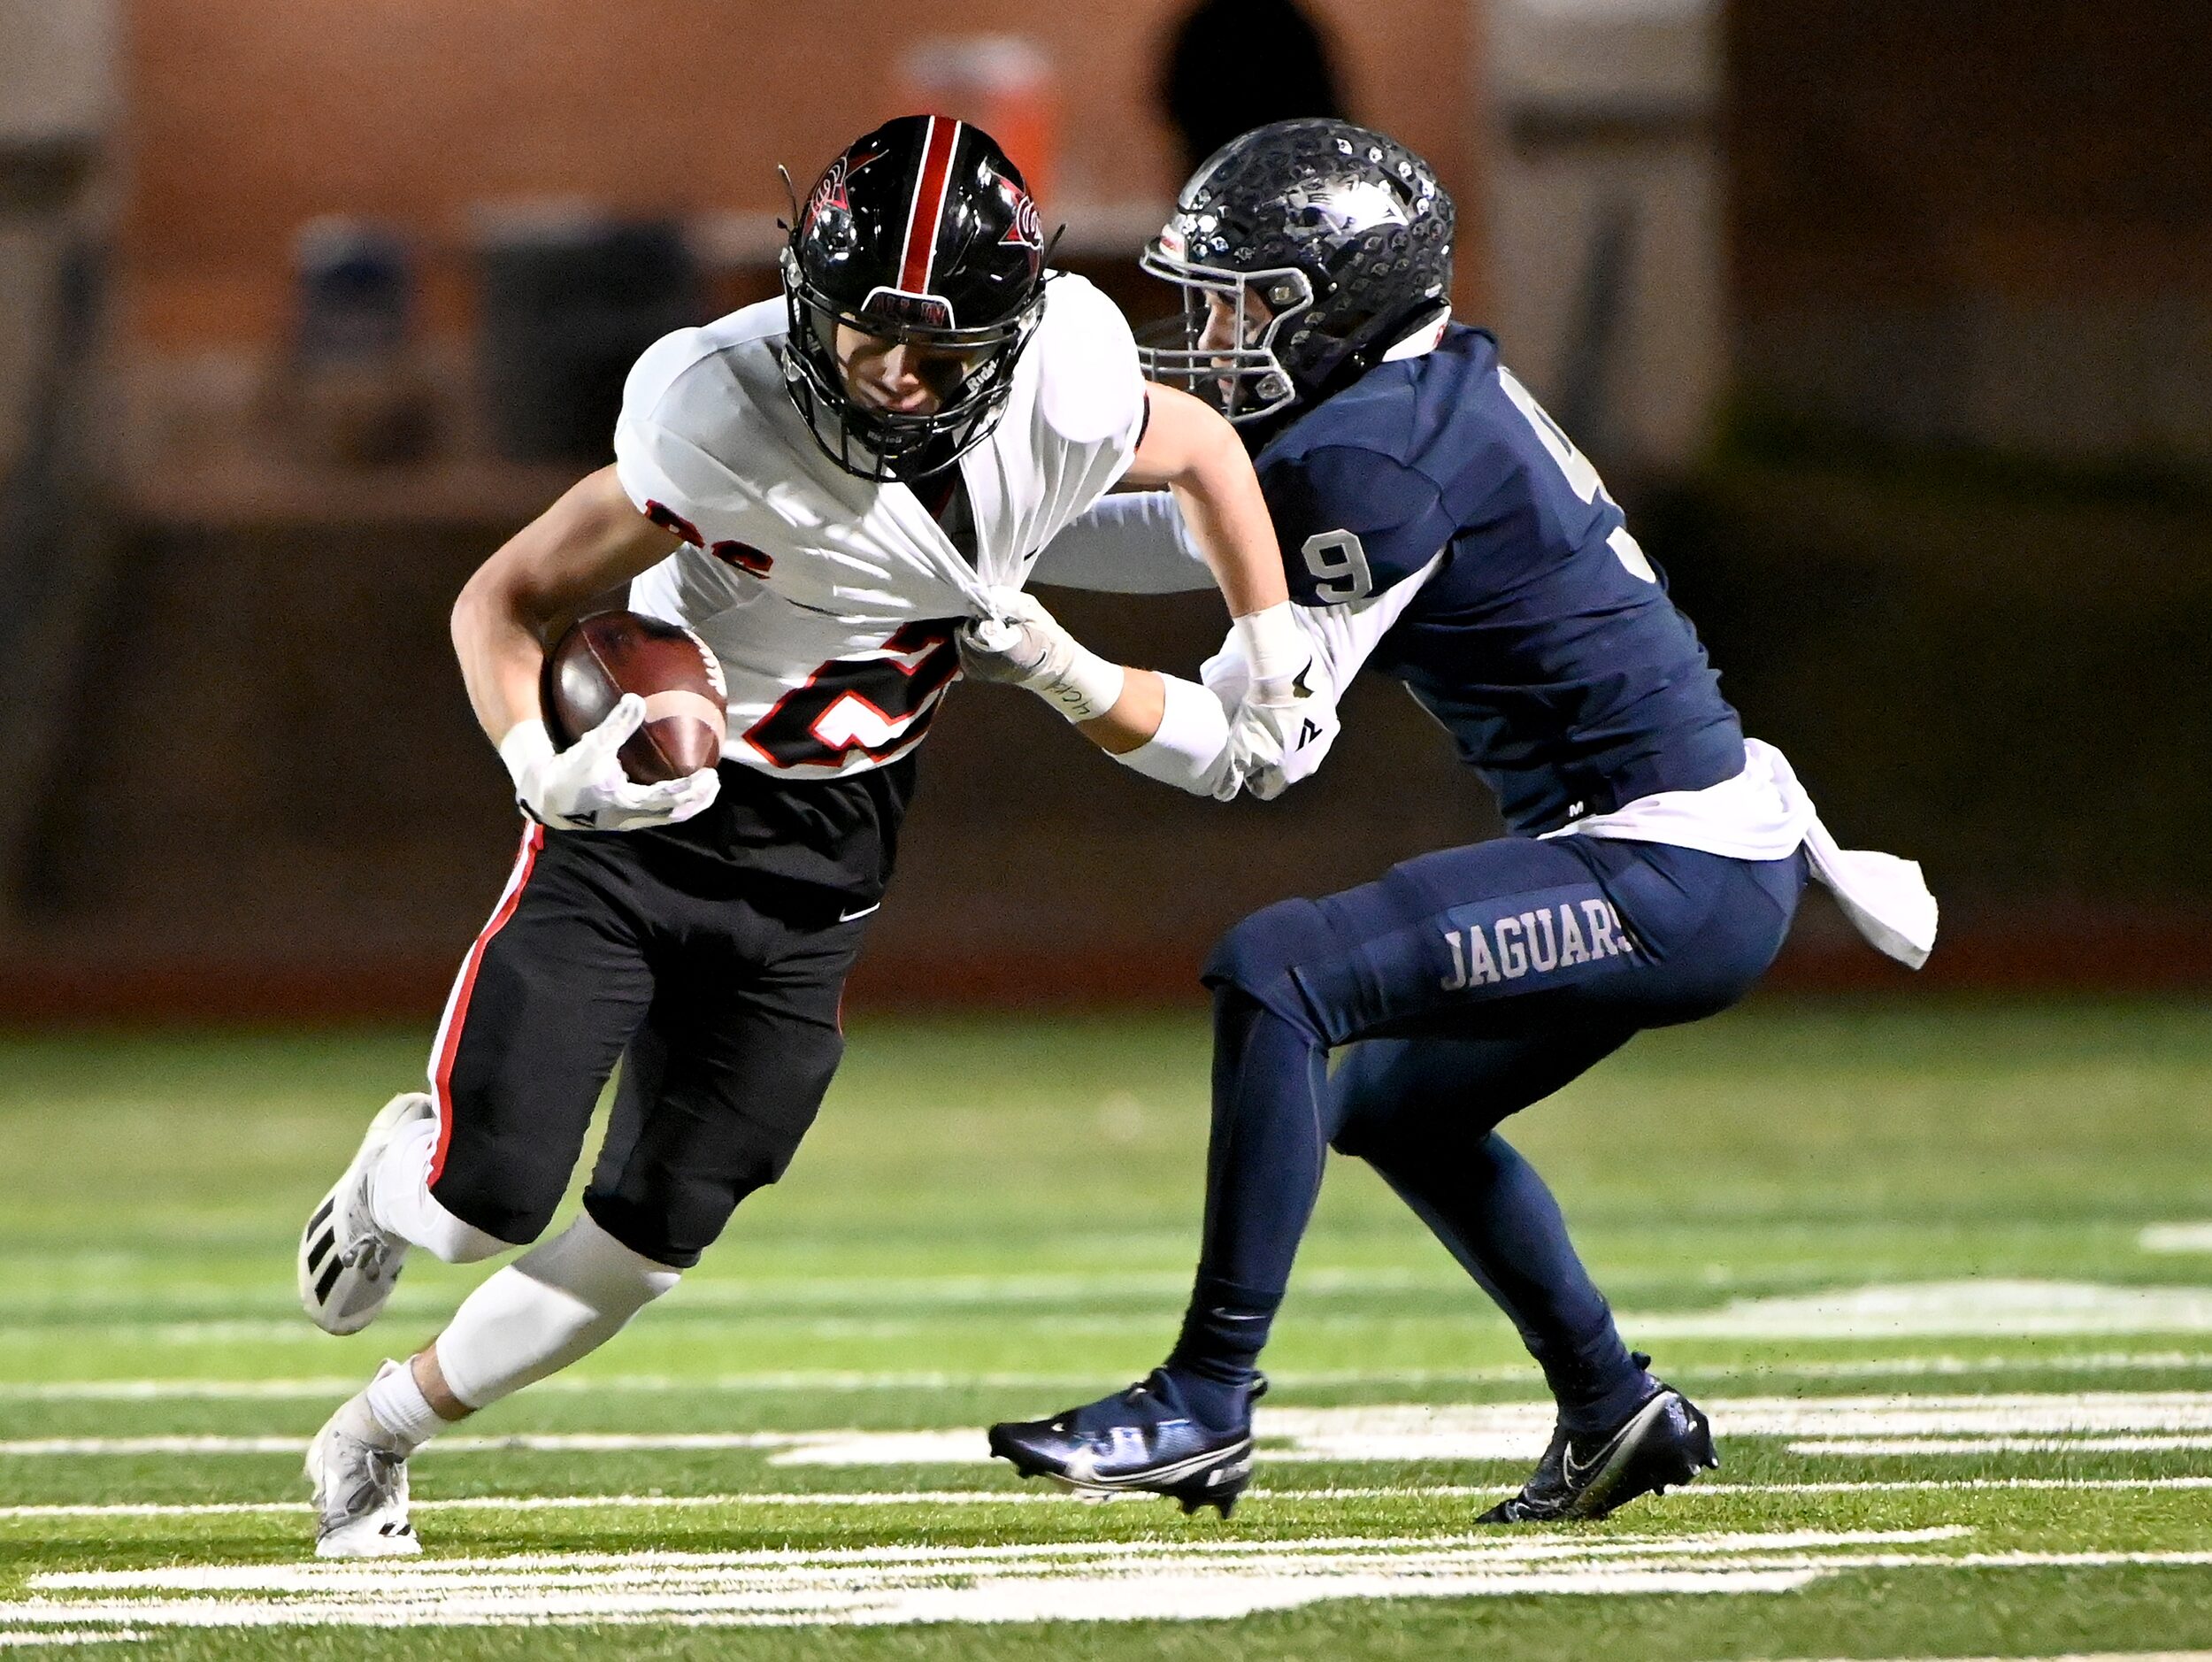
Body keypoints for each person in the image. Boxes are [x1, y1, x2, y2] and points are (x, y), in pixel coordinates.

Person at [290, 113, 1300, 1558]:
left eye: (940, 348)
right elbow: (498, 597)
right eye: (864, 331)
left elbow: (1201, 446)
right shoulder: (712, 413)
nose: (893, 374)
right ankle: (402, 1169)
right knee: (474, 1207)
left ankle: (376, 1431)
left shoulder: (1067, 385)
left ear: (1011, 334)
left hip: (824, 869)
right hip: (642, 836)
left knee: (652, 1241)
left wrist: (1264, 647)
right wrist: (538, 766)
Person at [966, 119, 1938, 1522]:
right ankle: (1615, 1404)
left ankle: (1205, 1400)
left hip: (1669, 862)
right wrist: (974, 529)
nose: (1215, 331)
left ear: (1343, 302)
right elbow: (1198, 530)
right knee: (1400, 1107)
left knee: (1279, 969)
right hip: (1666, 848)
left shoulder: (1380, 457)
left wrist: (1050, 661)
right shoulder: (1397, 405)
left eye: (1246, 300)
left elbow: (1261, 749)